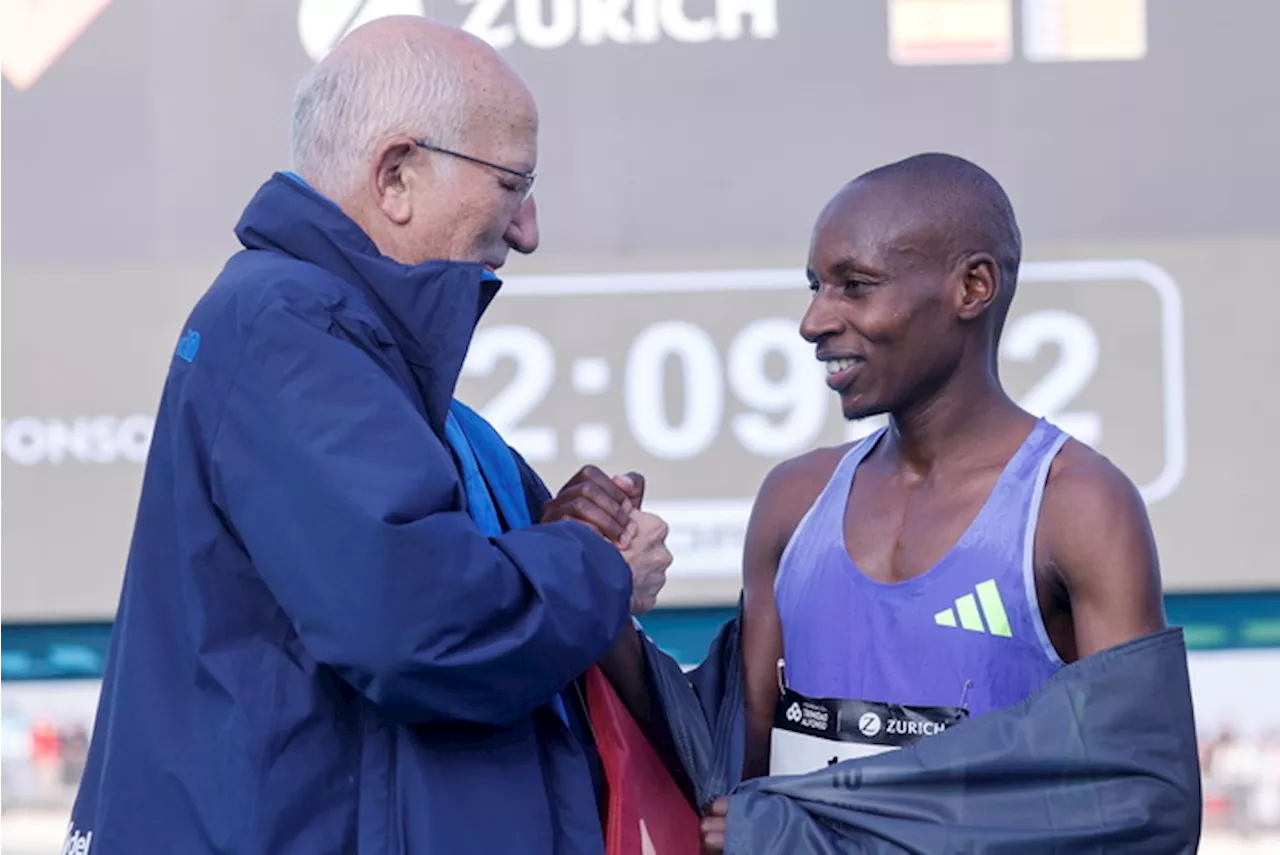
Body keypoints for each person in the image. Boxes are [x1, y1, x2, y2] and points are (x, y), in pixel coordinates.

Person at [67, 16, 671, 855]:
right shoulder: (289, 326)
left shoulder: (348, 352)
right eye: (511, 183)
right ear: (396, 175)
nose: (527, 228)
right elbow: (423, 625)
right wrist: (599, 568)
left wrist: (556, 540)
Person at [699, 153, 1169, 848]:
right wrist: (599, 592)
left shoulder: (1076, 507)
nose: (813, 320)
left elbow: (1142, 807)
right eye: (815, 285)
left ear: (972, 286)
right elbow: (730, 780)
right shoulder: (793, 502)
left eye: (854, 286)